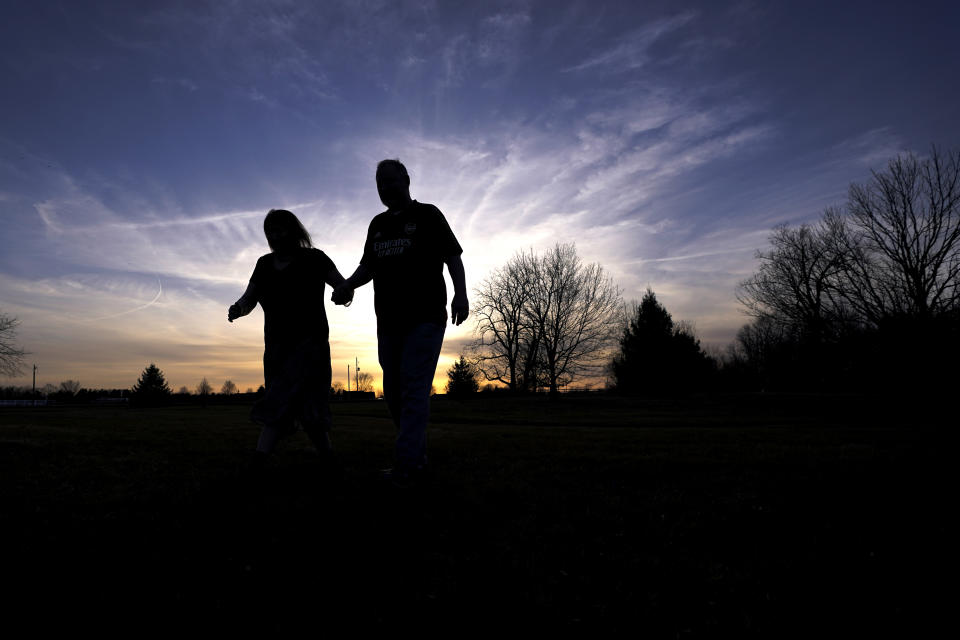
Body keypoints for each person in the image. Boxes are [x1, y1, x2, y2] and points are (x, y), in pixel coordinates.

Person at [333, 159, 468, 488]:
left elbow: (452, 256)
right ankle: (417, 458)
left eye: (391, 180)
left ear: (406, 180)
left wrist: (461, 294)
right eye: (380, 182)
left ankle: (407, 465)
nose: (385, 187)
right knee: (393, 392)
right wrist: (348, 284)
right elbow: (368, 266)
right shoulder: (376, 224)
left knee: (412, 387)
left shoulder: (428, 215)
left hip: (425, 317)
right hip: (389, 322)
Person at [229, 208, 352, 476]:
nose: (274, 235)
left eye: (279, 229)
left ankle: (260, 461)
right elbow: (249, 297)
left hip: (311, 346)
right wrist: (238, 309)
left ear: (294, 230)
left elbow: (341, 285)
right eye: (270, 231)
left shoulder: (315, 258)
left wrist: (343, 293)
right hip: (277, 348)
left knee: (306, 405)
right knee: (281, 402)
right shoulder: (263, 264)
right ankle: (327, 459)